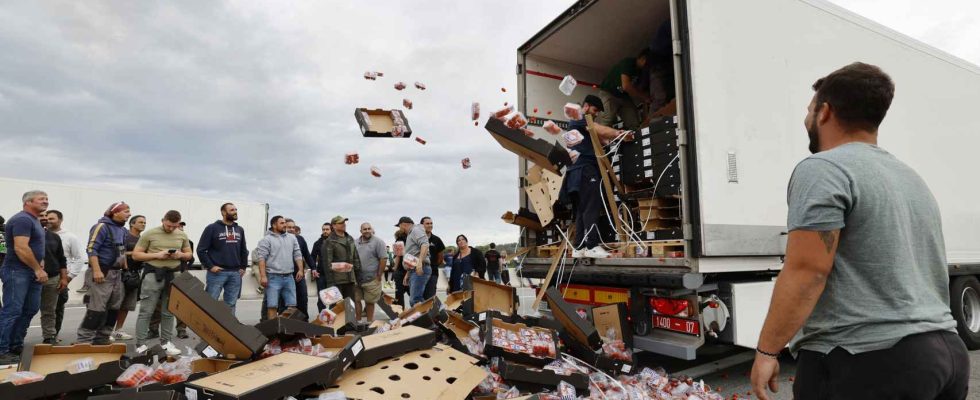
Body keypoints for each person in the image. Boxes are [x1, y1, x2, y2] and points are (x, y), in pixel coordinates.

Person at [750, 63, 968, 400]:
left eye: (809, 110)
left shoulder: (823, 168)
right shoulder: (909, 177)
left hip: (865, 360)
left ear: (825, 112)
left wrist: (767, 351)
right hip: (945, 353)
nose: (806, 120)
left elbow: (807, 271)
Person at [564, 94, 634, 259]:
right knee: (591, 207)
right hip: (586, 170)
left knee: (582, 210)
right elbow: (598, 129)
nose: (595, 114)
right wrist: (619, 133)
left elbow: (599, 137)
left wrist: (613, 137)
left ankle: (579, 247)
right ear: (586, 106)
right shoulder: (579, 117)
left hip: (575, 173)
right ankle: (592, 246)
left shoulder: (577, 124)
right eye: (595, 110)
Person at [132, 210, 192, 355]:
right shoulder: (150, 234)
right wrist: (157, 255)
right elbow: (136, 255)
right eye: (168, 225)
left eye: (174, 226)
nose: (171, 229)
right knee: (146, 311)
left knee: (169, 311)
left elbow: (189, 254)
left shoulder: (182, 234)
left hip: (173, 274)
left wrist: (180, 255)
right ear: (163, 220)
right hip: (153, 274)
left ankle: (166, 342)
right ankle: (141, 344)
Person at [0, 191, 48, 365]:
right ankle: (2, 350)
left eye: (47, 199)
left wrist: (40, 262)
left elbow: (35, 246)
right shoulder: (22, 219)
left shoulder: (35, 220)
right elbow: (21, 248)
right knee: (12, 311)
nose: (46, 202)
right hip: (17, 271)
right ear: (28, 202)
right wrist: (37, 268)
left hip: (31, 272)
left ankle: (15, 345)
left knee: (30, 309)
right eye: (41, 199)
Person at [77, 201, 130, 346]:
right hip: (102, 273)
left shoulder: (123, 230)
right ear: (115, 212)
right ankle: (84, 342)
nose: (129, 214)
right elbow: (91, 249)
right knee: (96, 309)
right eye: (126, 211)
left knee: (114, 308)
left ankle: (102, 339)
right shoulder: (101, 227)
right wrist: (96, 270)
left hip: (116, 275)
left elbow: (122, 251)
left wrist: (125, 270)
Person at [199, 203, 248, 314]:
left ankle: (228, 330)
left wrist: (243, 267)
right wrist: (210, 266)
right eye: (232, 210)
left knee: (231, 304)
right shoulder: (212, 228)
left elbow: (243, 250)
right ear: (223, 212)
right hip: (217, 273)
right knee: (210, 303)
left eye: (236, 209)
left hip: (235, 273)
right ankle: (208, 329)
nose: (235, 212)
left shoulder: (239, 229)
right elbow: (201, 250)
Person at [45, 210, 86, 340]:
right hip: (39, 278)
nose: (49, 221)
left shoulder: (70, 237)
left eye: (52, 218)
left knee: (57, 309)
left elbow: (79, 258)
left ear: (60, 220)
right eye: (47, 218)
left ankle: (52, 336)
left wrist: (68, 277)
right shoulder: (39, 234)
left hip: (59, 279)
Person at [256, 215, 304, 321]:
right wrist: (263, 276)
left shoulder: (292, 238)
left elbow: (297, 254)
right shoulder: (266, 240)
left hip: (289, 277)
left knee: (292, 306)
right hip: (273, 277)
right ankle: (273, 332)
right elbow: (261, 259)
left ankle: (286, 331)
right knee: (272, 306)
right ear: (274, 225)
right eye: (282, 223)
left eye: (285, 223)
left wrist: (300, 270)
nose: (285, 225)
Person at [106, 214, 144, 341]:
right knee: (115, 303)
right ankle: (106, 331)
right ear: (132, 224)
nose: (143, 224)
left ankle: (118, 330)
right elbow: (120, 251)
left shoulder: (143, 239)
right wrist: (134, 254)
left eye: (144, 222)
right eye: (140, 222)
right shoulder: (125, 235)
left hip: (136, 273)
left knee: (127, 304)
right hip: (122, 272)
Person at [596, 49, 651, 130]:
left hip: (623, 96)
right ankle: (600, 140)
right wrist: (644, 97)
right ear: (643, 59)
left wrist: (644, 98)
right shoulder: (629, 62)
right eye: (649, 63)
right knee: (608, 118)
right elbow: (626, 86)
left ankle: (636, 139)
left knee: (634, 122)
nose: (649, 67)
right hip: (609, 92)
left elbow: (636, 89)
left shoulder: (640, 72)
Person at [38, 211, 67, 345]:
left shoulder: (54, 237)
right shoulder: (25, 234)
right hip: (30, 278)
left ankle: (49, 337)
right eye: (41, 216)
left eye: (46, 217)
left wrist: (64, 278)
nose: (45, 219)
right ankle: (15, 340)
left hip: (52, 278)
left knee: (49, 310)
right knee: (24, 310)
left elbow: (62, 259)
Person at [321, 216, 361, 306]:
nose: (344, 224)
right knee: (336, 308)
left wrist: (358, 277)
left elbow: (356, 258)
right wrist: (330, 284)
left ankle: (350, 321)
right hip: (336, 281)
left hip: (350, 279)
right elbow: (327, 264)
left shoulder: (350, 238)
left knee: (351, 306)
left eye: (344, 222)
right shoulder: (329, 241)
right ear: (334, 226)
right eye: (340, 223)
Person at [354, 222, 386, 321]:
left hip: (372, 278)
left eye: (369, 228)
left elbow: (383, 259)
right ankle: (358, 322)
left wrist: (379, 275)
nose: (367, 231)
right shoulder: (355, 242)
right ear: (361, 231)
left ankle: (369, 323)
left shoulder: (378, 242)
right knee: (356, 300)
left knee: (370, 302)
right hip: (356, 278)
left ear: (371, 230)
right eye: (365, 229)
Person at [396, 217, 430, 306]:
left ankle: (437, 316)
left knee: (415, 300)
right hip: (413, 269)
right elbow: (413, 255)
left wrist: (419, 263)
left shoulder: (415, 230)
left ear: (403, 225)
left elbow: (425, 244)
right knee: (416, 299)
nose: (400, 229)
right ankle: (432, 317)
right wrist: (408, 273)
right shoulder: (411, 234)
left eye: (399, 226)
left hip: (419, 268)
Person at [285, 219, 313, 320]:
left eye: (293, 227)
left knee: (302, 299)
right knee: (285, 303)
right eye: (289, 227)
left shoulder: (300, 239)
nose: (292, 229)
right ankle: (286, 325)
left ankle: (304, 322)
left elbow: (307, 255)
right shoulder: (280, 239)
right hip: (284, 275)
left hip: (299, 274)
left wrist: (313, 268)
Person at [420, 217, 445, 300]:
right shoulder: (417, 239)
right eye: (427, 223)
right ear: (421, 225)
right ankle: (421, 313)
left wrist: (433, 265)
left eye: (431, 223)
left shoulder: (437, 240)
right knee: (418, 298)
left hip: (432, 273)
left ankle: (430, 313)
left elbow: (440, 258)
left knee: (430, 298)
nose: (430, 225)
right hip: (418, 272)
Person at [311, 222, 332, 312]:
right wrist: (313, 269)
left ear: (332, 230)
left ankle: (335, 318)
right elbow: (312, 258)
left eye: (327, 229)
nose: (325, 231)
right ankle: (323, 316)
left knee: (334, 298)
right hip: (321, 275)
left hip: (334, 275)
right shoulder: (317, 243)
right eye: (323, 229)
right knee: (321, 298)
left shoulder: (336, 242)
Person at [391, 230, 409, 307]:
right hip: (409, 268)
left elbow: (398, 256)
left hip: (401, 269)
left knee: (399, 293)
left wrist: (395, 268)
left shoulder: (399, 241)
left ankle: (400, 311)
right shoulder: (410, 241)